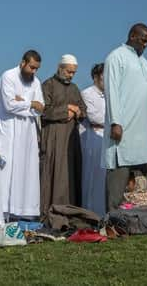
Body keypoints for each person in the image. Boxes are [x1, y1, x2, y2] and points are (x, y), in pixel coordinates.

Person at [103, 24, 147, 212]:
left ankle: (142, 216)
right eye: (143, 39)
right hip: (124, 127)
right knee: (120, 171)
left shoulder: (145, 63)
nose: (146, 44)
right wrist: (115, 121)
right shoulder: (116, 57)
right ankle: (114, 218)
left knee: (142, 177)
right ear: (132, 36)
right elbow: (112, 91)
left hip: (143, 130)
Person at [0, 50, 45, 220]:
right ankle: (3, 212)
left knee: (27, 170)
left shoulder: (36, 82)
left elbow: (41, 108)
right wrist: (30, 102)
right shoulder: (8, 76)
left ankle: (26, 212)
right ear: (23, 62)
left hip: (28, 131)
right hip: (10, 130)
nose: (34, 72)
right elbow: (9, 105)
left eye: (37, 69)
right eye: (32, 67)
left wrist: (22, 101)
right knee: (8, 170)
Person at [40, 54, 87, 213]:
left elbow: (84, 111)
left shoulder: (74, 88)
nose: (71, 75)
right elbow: (43, 111)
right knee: (55, 173)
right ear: (60, 68)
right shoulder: (48, 85)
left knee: (71, 174)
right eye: (68, 72)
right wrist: (66, 109)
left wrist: (76, 111)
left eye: (73, 72)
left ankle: (71, 210)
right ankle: (51, 211)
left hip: (71, 138)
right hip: (54, 137)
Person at [80, 63, 107, 216]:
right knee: (92, 178)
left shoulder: (111, 94)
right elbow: (93, 117)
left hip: (107, 138)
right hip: (93, 140)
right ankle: (91, 213)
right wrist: (113, 122)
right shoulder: (87, 94)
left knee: (105, 180)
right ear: (96, 77)